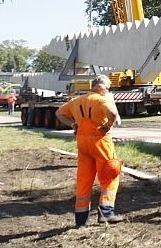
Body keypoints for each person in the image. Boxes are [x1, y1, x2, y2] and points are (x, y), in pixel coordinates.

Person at [55, 75, 124, 226]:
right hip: (100, 142)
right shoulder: (101, 99)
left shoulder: (77, 101)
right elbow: (112, 113)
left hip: (83, 143)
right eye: (108, 87)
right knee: (110, 173)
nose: (108, 90)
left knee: (84, 179)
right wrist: (107, 126)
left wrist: (73, 125)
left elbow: (59, 113)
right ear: (102, 87)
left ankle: (81, 218)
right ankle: (106, 213)